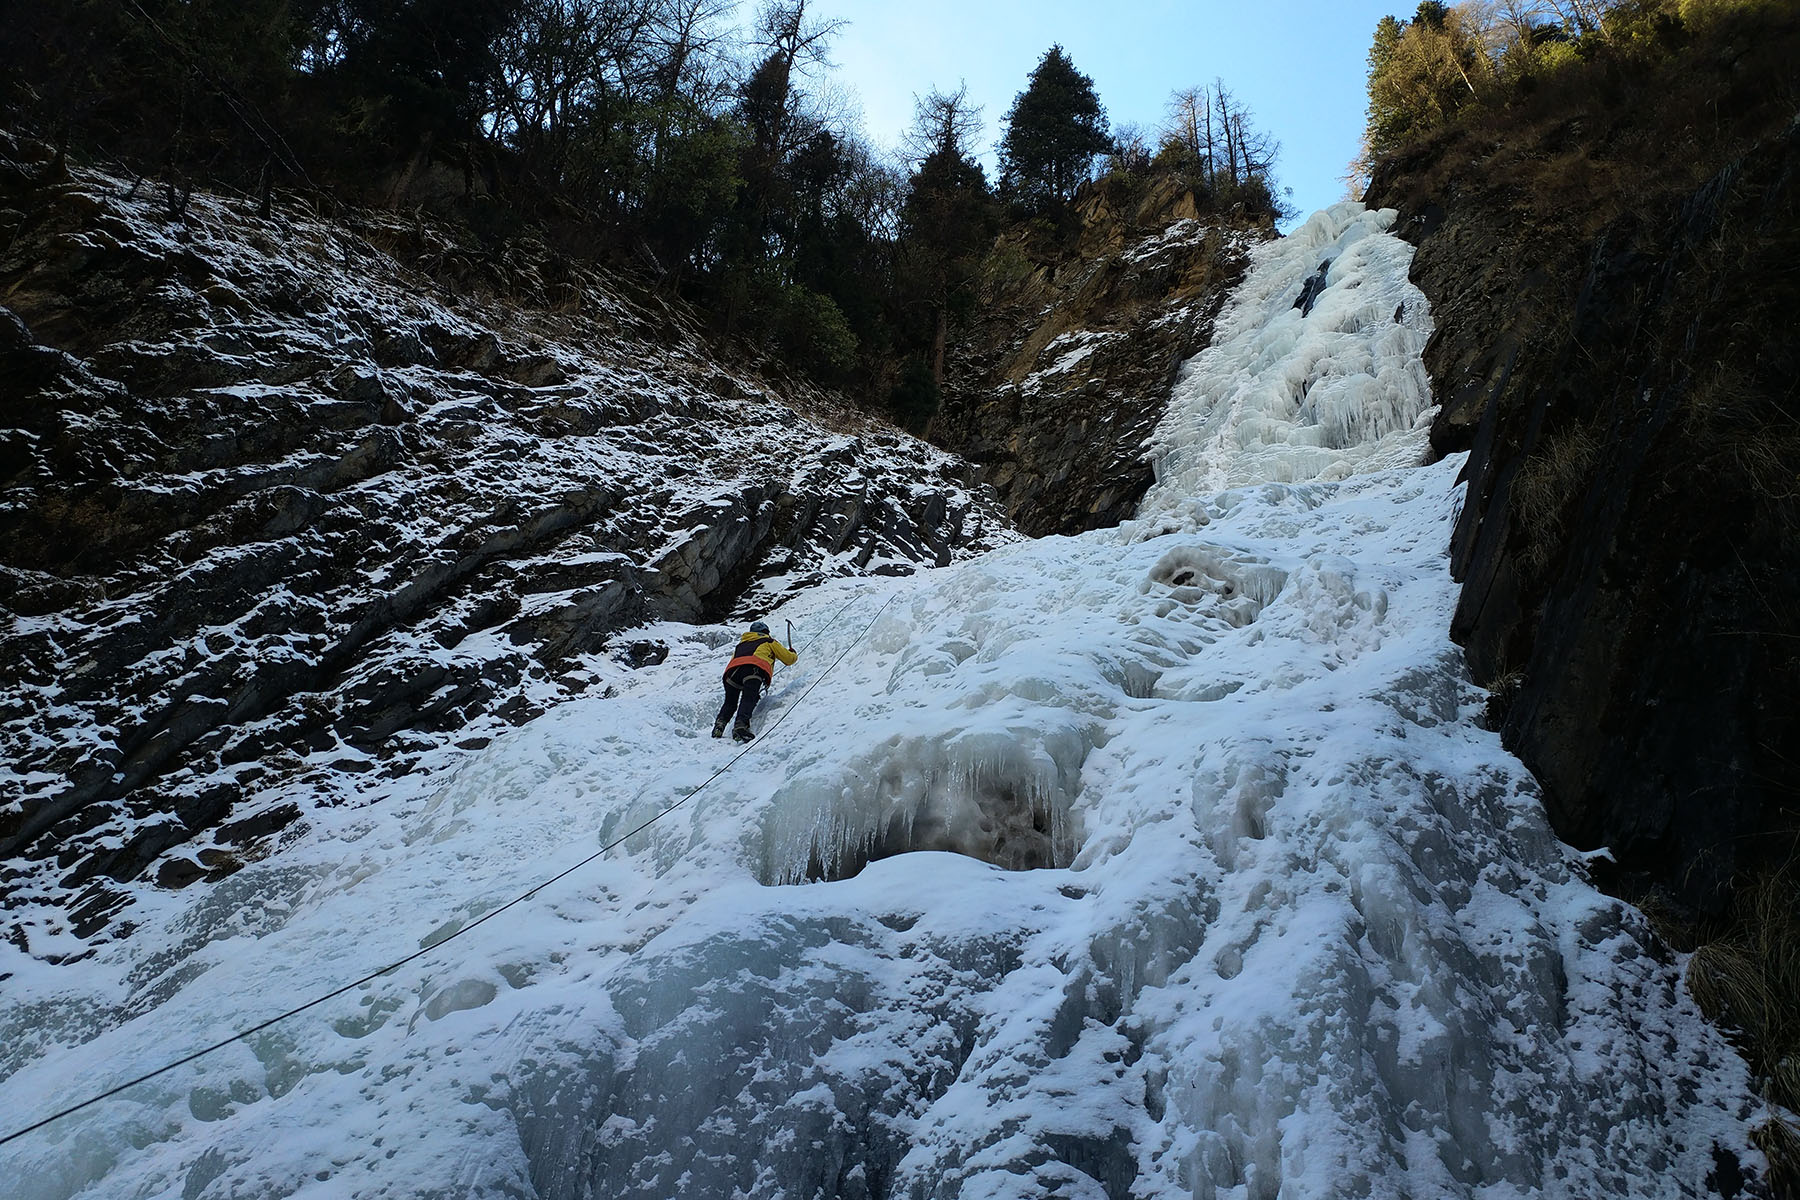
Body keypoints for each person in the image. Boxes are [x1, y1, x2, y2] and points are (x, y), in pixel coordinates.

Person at [713, 620, 797, 742]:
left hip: (731, 673)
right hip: (753, 669)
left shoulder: (741, 644)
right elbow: (788, 659)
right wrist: (793, 653)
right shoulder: (768, 641)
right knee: (749, 697)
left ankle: (719, 725)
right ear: (766, 632)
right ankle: (740, 726)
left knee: (730, 702)